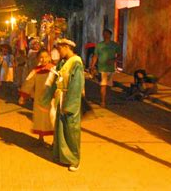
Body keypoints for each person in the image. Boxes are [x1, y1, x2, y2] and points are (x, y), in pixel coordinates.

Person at [42, 38, 84, 172]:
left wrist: (70, 105)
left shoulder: (77, 63)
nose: (58, 52)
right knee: (60, 129)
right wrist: (47, 97)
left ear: (66, 47)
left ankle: (74, 160)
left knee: (71, 131)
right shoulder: (62, 62)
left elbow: (76, 85)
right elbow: (55, 79)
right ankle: (61, 156)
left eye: (59, 49)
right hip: (60, 98)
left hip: (70, 100)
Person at [19, 50, 55, 143]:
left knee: (53, 119)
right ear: (38, 59)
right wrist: (23, 96)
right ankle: (40, 139)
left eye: (46, 57)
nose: (44, 59)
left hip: (52, 100)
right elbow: (28, 82)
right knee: (40, 119)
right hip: (39, 99)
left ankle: (55, 142)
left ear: (50, 57)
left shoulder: (54, 69)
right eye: (41, 57)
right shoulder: (36, 71)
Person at [90, 29, 120, 108]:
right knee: (103, 85)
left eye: (106, 34)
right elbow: (95, 56)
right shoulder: (99, 45)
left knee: (108, 86)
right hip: (102, 68)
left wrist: (114, 60)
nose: (105, 35)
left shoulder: (115, 45)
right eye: (104, 34)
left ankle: (106, 99)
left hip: (111, 68)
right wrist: (92, 66)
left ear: (110, 35)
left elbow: (120, 55)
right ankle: (103, 101)